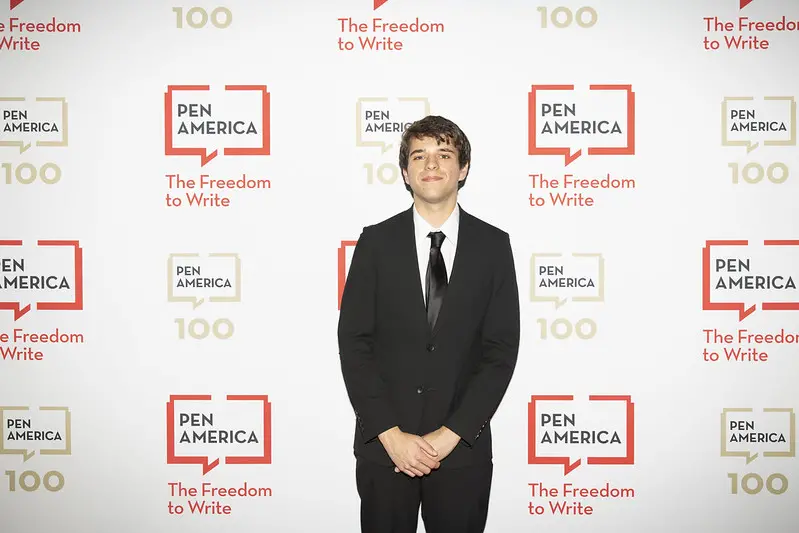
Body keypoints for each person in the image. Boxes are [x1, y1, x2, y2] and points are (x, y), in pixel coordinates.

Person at [338, 115, 520, 533]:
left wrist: (451, 434)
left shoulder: (494, 246)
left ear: (463, 168)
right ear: (406, 172)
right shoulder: (375, 242)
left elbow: (500, 351)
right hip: (386, 452)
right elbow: (354, 342)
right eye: (419, 155)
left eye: (444, 154)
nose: (431, 164)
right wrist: (389, 434)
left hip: (462, 452)